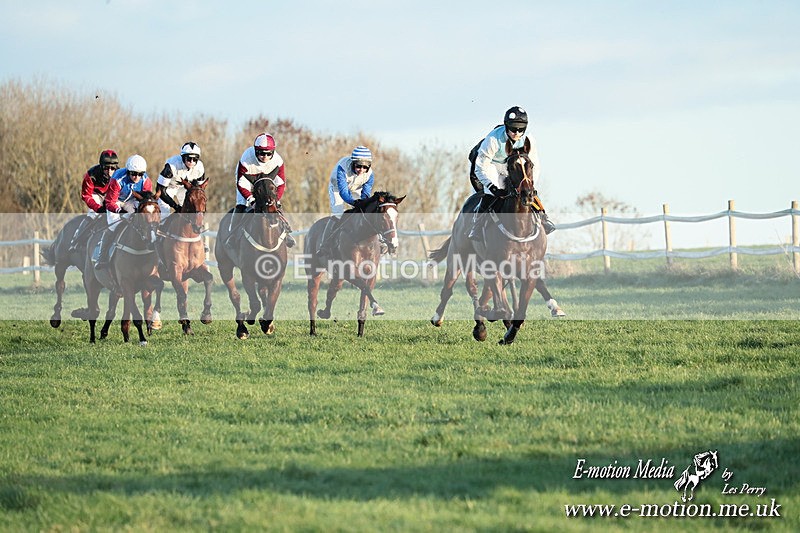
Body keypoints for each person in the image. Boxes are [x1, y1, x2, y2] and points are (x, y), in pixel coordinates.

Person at [468, 106, 556, 240]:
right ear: (506, 126)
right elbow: (480, 168)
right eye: (513, 129)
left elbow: (535, 165)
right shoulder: (493, 139)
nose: (517, 133)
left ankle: (543, 218)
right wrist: (491, 187)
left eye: (521, 129)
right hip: (491, 165)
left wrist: (530, 184)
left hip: (512, 164)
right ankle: (477, 225)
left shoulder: (529, 139)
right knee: (494, 191)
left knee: (527, 188)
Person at [231, 133, 295, 247]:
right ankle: (233, 234)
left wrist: (275, 200)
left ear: (273, 152)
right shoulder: (246, 159)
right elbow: (241, 183)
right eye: (261, 153)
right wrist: (251, 200)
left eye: (268, 153)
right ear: (256, 151)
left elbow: (280, 184)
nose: (265, 156)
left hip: (267, 182)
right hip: (248, 181)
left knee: (276, 205)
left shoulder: (278, 161)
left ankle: (286, 232)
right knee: (241, 205)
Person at [316, 145, 377, 258]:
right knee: (338, 214)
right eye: (358, 166)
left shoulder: (370, 175)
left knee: (364, 212)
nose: (361, 170)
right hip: (337, 188)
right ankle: (325, 244)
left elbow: (366, 193)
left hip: (356, 188)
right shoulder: (342, 168)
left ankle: (377, 241)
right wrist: (354, 203)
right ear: (353, 163)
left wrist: (363, 204)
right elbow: (343, 192)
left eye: (365, 167)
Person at [95, 155, 153, 269]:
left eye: (140, 174)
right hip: (116, 201)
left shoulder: (146, 181)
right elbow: (110, 202)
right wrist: (119, 211)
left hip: (131, 201)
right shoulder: (117, 179)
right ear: (128, 171)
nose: (137, 177)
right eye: (134, 174)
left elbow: (145, 200)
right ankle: (101, 256)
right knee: (114, 225)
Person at [68, 150, 119, 252]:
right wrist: (98, 208)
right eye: (106, 168)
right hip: (96, 194)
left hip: (111, 195)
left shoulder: (119, 174)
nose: (109, 171)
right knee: (93, 214)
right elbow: (86, 196)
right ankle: (76, 240)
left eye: (112, 168)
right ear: (101, 166)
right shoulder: (91, 175)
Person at [156, 141, 207, 219]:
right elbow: (160, 190)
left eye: (195, 159)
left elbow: (199, 191)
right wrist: (175, 206)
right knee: (164, 209)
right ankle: (161, 225)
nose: (191, 162)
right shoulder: (172, 165)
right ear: (183, 157)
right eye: (189, 159)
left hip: (185, 189)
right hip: (168, 188)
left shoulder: (200, 168)